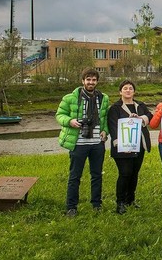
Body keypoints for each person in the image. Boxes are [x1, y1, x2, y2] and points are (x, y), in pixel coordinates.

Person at [56, 68, 110, 217]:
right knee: (75, 176)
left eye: (93, 80)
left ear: (97, 81)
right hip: (78, 143)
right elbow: (59, 115)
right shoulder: (70, 98)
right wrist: (70, 121)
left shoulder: (103, 98)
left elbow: (104, 118)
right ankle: (71, 207)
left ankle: (96, 204)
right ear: (83, 81)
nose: (91, 82)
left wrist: (105, 130)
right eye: (88, 79)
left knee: (97, 175)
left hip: (97, 143)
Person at [107, 79, 153, 214]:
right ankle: (120, 203)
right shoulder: (115, 108)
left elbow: (149, 115)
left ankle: (130, 200)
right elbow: (113, 126)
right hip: (123, 147)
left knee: (134, 174)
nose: (128, 90)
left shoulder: (140, 105)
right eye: (125, 88)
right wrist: (120, 144)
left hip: (139, 145)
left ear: (134, 91)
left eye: (130, 88)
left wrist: (140, 118)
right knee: (125, 174)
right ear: (120, 91)